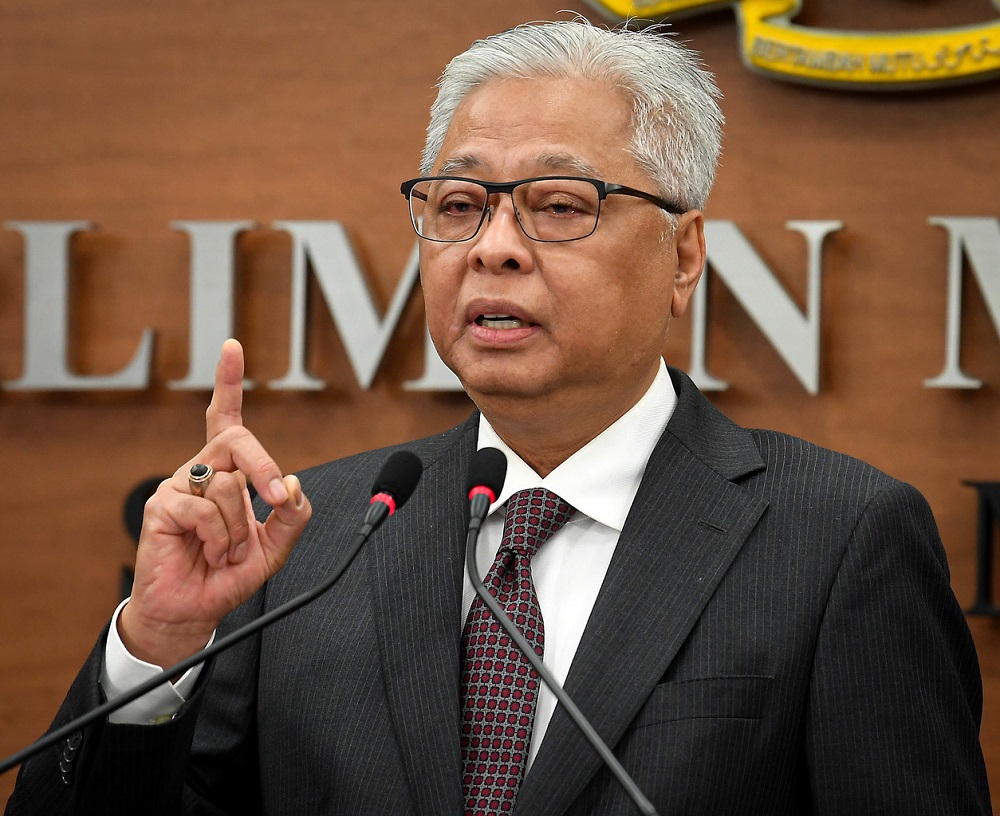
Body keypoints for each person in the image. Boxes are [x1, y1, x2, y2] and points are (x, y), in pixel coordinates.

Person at [5, 19, 991, 816]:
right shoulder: (313, 537)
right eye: (462, 202)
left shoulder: (837, 537)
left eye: (559, 205)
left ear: (682, 255)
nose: (495, 247)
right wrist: (158, 648)